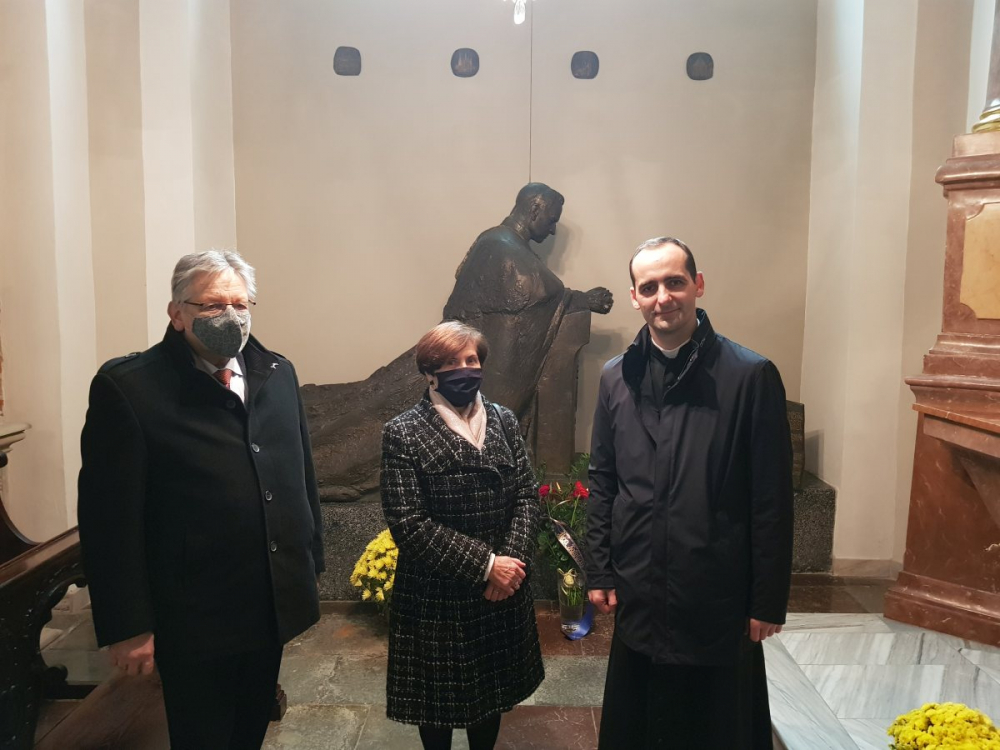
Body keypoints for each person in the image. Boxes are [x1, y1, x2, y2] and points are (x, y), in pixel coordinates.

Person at [77, 250, 324, 750]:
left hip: (270, 599)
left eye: (240, 304)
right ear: (177, 313)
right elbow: (108, 519)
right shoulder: (130, 388)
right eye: (212, 305)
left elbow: (301, 474)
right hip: (194, 613)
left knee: (250, 727)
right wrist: (127, 625)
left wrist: (309, 562)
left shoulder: (277, 372)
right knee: (204, 736)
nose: (229, 316)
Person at [585, 237, 793, 749]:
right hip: (640, 586)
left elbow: (771, 498)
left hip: (716, 594)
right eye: (649, 287)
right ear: (634, 297)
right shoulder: (616, 377)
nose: (663, 297)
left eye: (674, 282)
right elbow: (604, 479)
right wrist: (600, 569)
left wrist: (767, 599)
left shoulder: (750, 376)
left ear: (697, 285)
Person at [380, 321, 544, 750]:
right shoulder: (403, 432)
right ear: (429, 372)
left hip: (500, 591)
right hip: (437, 595)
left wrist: (510, 566)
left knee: (491, 697)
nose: (465, 369)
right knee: (436, 705)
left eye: (471, 359)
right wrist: (487, 565)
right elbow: (407, 522)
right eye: (451, 362)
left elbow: (527, 495)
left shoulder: (504, 420)